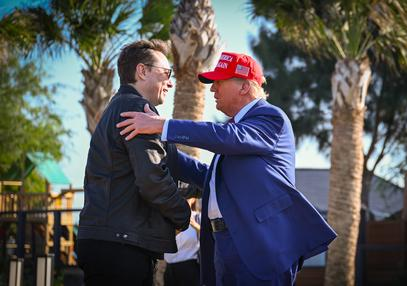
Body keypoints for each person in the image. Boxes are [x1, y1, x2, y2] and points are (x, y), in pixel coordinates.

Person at [117, 52, 337, 286]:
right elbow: (208, 177)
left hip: (258, 246)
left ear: (244, 86)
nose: (213, 89)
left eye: (219, 81)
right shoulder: (233, 131)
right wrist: (161, 145)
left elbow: (230, 138)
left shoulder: (271, 117)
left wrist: (163, 126)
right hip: (223, 245)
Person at [77, 39, 190, 286]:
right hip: (121, 247)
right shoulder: (137, 110)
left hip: (108, 241)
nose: (170, 82)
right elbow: (152, 180)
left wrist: (202, 184)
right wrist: (183, 215)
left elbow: (145, 172)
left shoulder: (117, 106)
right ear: (142, 71)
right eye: (166, 73)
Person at [164, 198, 201, 286]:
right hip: (169, 270)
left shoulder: (198, 217)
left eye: (187, 196)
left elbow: (209, 238)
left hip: (190, 268)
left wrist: (196, 226)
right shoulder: (166, 218)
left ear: (193, 199)